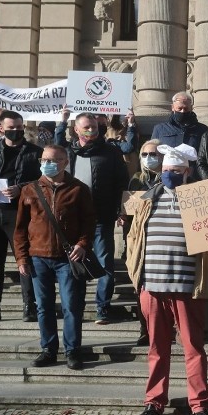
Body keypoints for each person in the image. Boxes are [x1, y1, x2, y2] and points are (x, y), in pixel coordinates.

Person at [126, 143, 208, 415]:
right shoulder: (147, 199)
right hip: (152, 287)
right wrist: (137, 276)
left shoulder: (202, 200)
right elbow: (134, 238)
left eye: (175, 171)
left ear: (187, 171)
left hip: (187, 287)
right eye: (166, 170)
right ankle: (154, 404)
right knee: (157, 348)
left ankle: (200, 403)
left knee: (194, 347)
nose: (169, 174)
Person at [13, 145, 95, 370]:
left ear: (65, 162)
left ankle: (72, 351)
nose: (48, 163)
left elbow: (89, 223)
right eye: (45, 159)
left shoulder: (78, 189)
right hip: (38, 256)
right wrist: (21, 258)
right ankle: (48, 349)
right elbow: (20, 229)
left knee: (71, 305)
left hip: (67, 258)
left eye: (54, 159)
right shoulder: (30, 190)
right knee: (43, 306)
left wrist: (82, 244)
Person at [65, 113, 128, 324]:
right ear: (76, 129)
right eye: (86, 127)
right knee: (76, 265)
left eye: (94, 126)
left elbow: (122, 182)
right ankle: (77, 306)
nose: (91, 130)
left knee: (105, 265)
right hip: (74, 220)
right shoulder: (68, 153)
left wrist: (121, 209)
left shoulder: (111, 152)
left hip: (102, 217)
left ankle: (103, 307)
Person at [0, 110, 42, 321]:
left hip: (20, 213)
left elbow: (43, 181)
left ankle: (29, 305)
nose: (15, 132)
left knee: (24, 259)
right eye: (11, 128)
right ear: (0, 128)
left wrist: (21, 188)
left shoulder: (35, 152)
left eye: (19, 128)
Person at [125, 139, 164, 346]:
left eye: (154, 154)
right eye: (146, 154)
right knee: (139, 289)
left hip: (161, 241)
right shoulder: (136, 180)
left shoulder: (169, 179)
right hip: (140, 242)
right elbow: (130, 209)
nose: (150, 158)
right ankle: (144, 329)